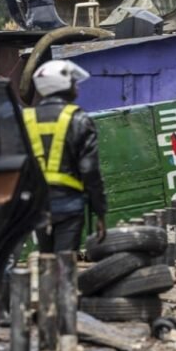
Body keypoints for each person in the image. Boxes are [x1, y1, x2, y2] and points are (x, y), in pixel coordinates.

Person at [25, 60, 107, 252]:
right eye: (73, 82)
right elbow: (90, 170)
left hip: (36, 204)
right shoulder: (79, 119)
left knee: (46, 260)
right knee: (65, 263)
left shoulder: (26, 119)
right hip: (68, 204)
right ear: (62, 85)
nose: (76, 86)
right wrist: (100, 212)